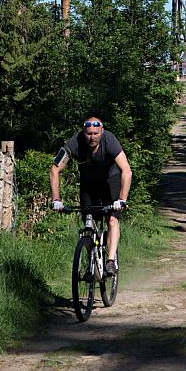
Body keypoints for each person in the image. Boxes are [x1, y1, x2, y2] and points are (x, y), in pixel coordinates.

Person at [50, 116, 132, 276]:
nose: (92, 137)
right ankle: (90, 261)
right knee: (88, 220)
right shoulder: (75, 142)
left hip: (111, 181)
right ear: (84, 132)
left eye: (95, 133)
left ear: (101, 131)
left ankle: (110, 260)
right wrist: (56, 200)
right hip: (89, 183)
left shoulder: (110, 140)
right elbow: (54, 169)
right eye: (89, 133)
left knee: (112, 219)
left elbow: (126, 171)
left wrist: (122, 199)